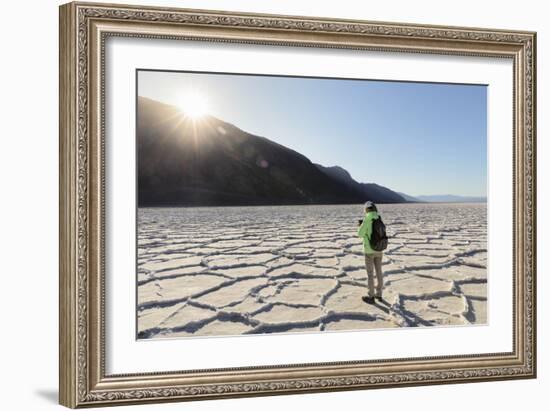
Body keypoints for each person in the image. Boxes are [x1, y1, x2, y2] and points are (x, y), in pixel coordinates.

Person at [357, 201, 384, 304]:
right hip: (379, 249)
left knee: (370, 274)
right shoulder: (378, 218)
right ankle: (379, 294)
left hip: (369, 251)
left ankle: (371, 296)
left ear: (367, 209)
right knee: (379, 272)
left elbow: (360, 234)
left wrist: (360, 226)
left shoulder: (367, 219)